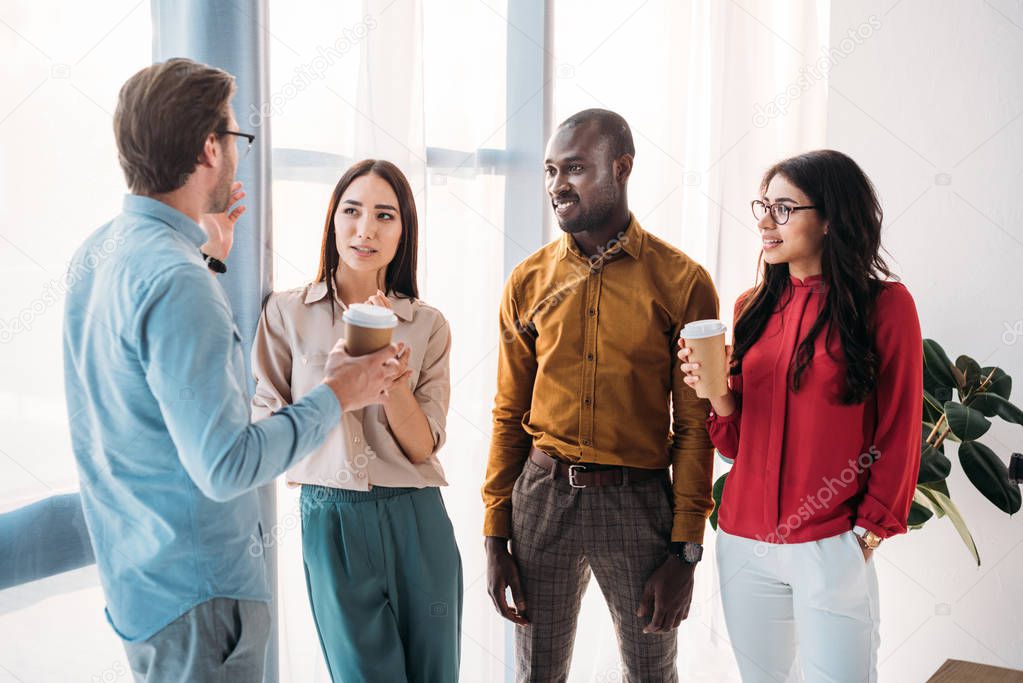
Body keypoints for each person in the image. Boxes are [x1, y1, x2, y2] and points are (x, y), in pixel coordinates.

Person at [62, 58, 406, 683]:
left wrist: (205, 262)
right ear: (208, 150)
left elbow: (141, 417)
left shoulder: (99, 254)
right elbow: (226, 466)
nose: (239, 153)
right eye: (235, 138)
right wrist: (338, 392)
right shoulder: (177, 281)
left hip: (144, 589)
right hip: (202, 603)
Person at [483, 109, 719, 682]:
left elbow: (694, 426)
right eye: (550, 171)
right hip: (541, 500)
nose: (557, 185)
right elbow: (509, 413)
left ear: (622, 167)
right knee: (536, 674)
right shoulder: (527, 282)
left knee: (651, 674)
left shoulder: (683, 283)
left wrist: (685, 551)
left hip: (638, 506)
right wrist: (495, 533)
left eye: (576, 168)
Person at [678, 149, 922, 682]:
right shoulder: (751, 306)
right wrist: (715, 393)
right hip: (743, 544)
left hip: (829, 544)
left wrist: (863, 538)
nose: (766, 221)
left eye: (784, 208)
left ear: (830, 218)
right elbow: (736, 444)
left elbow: (900, 430)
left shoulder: (886, 307)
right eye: (763, 206)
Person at [251, 159, 462, 682]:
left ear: (403, 231)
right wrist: (338, 388)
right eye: (352, 211)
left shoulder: (427, 324)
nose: (365, 229)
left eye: (385, 216)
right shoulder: (285, 313)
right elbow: (268, 433)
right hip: (331, 516)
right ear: (333, 220)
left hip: (417, 516)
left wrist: (391, 386)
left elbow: (422, 448)